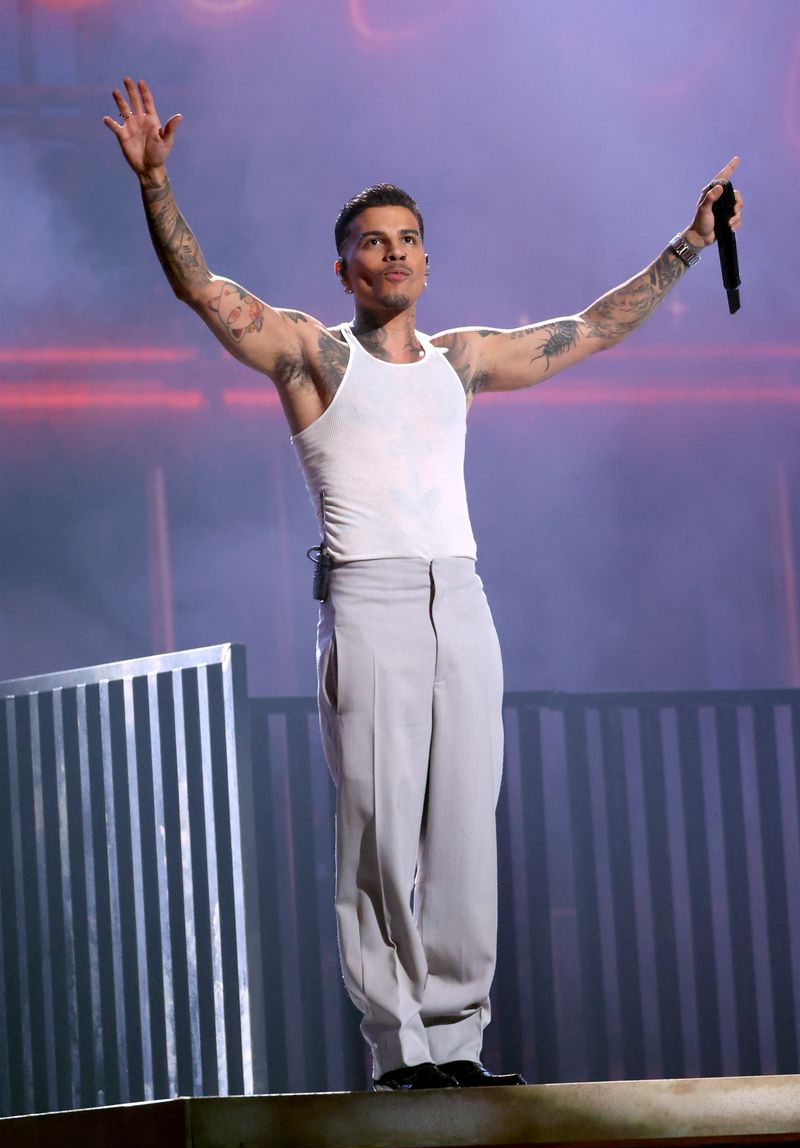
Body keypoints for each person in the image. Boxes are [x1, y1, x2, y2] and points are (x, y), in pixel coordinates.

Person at [104, 77, 744, 1092]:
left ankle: (455, 1045)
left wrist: (686, 245)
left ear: (426, 260)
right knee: (376, 822)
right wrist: (154, 187)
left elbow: (590, 327)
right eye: (374, 239)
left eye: (408, 237)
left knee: (459, 831)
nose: (394, 249)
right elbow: (205, 293)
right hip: (369, 600)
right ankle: (399, 1051)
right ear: (344, 266)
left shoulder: (461, 360)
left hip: (462, 600)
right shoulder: (315, 356)